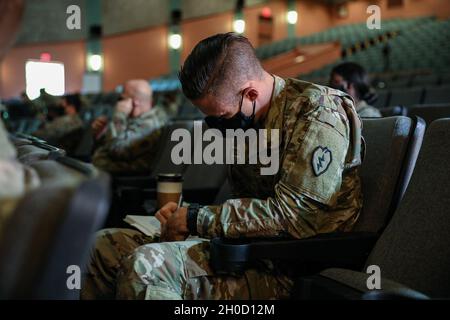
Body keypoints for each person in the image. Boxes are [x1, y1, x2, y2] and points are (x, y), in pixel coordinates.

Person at [81, 33, 364, 300]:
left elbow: (296, 218)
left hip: (289, 263)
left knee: (147, 267)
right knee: (101, 247)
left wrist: (195, 219)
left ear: (250, 94)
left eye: (222, 116)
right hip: (241, 248)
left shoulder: (317, 112)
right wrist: (185, 218)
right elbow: (244, 201)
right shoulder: (248, 116)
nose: (219, 126)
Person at [91, 80, 169, 174]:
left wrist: (119, 116)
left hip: (128, 177)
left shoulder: (150, 124)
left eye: (122, 99)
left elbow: (117, 151)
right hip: (110, 174)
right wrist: (101, 134)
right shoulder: (139, 118)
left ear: (134, 102)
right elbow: (107, 147)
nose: (118, 103)